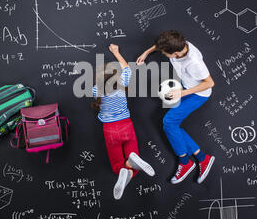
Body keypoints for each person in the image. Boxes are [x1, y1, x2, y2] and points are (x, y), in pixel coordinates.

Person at [136, 30, 215, 184]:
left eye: (166, 54)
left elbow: (210, 83)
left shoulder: (194, 63)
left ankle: (185, 163)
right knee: (172, 124)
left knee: (169, 122)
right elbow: (160, 46)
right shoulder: (177, 44)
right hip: (187, 87)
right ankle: (202, 159)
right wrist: (146, 52)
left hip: (198, 93)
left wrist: (182, 93)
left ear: (176, 52)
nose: (164, 55)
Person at [92, 44, 155, 200]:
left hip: (109, 130)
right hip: (126, 125)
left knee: (116, 165)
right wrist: (116, 52)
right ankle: (131, 162)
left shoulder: (96, 90)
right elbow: (127, 68)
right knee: (133, 158)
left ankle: (125, 168)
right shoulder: (122, 83)